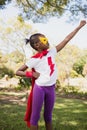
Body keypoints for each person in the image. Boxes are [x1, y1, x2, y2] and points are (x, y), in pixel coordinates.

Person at [16, 20, 86, 130]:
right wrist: (31, 73)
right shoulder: (33, 60)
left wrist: (79, 27)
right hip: (40, 89)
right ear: (37, 44)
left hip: (51, 88)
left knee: (48, 116)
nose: (47, 41)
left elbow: (67, 39)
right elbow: (18, 71)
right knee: (35, 116)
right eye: (44, 39)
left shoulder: (52, 51)